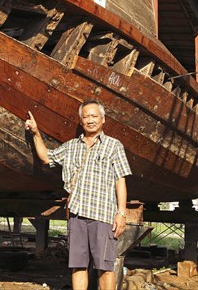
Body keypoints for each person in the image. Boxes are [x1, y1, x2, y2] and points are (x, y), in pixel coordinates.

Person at [25, 100, 132, 290]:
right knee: (78, 265)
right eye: (86, 117)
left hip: (103, 215)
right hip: (77, 215)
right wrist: (35, 132)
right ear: (81, 121)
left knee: (105, 267)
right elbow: (46, 157)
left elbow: (120, 180)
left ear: (103, 119)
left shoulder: (114, 146)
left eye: (94, 116)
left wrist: (121, 213)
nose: (90, 120)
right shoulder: (71, 146)